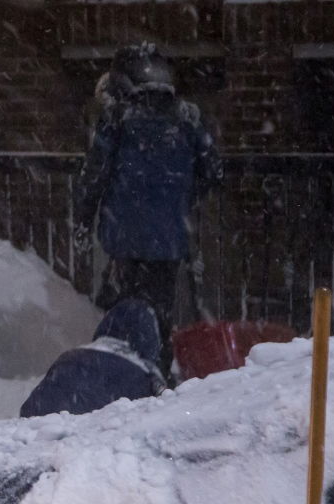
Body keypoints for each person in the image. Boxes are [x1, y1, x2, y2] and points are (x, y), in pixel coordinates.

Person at [73, 43, 222, 375]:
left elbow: (93, 175)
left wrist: (84, 220)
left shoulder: (118, 118)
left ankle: (129, 374)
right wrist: (181, 196)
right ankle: (158, 369)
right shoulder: (187, 117)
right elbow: (213, 172)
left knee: (126, 309)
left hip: (123, 235)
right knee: (161, 310)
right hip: (169, 238)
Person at [19, 298, 166, 418]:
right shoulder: (144, 377)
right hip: (87, 446)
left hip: (33, 431)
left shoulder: (71, 357)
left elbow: (34, 406)